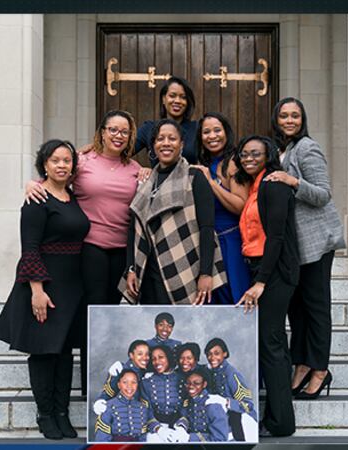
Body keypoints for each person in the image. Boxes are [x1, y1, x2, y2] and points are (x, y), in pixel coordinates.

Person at [25, 110, 143, 394]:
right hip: (89, 248)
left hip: (121, 251)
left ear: (130, 136)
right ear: (101, 132)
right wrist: (32, 184)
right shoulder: (83, 162)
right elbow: (56, 177)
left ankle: (105, 375)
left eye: (124, 131)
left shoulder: (136, 169)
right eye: (112, 129)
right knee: (94, 314)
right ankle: (89, 384)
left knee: (111, 315)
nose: (118, 135)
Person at [0, 139, 88, 440]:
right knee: (44, 352)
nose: (62, 165)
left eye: (67, 160)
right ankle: (45, 413)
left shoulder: (71, 196)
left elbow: (91, 151)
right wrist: (37, 290)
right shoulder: (36, 198)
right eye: (55, 160)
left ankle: (62, 411)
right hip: (44, 285)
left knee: (64, 353)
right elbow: (30, 248)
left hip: (72, 286)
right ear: (44, 164)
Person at [264, 97, 345, 400]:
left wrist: (292, 180)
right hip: (294, 246)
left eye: (295, 116)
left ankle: (320, 370)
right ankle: (301, 365)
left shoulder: (307, 148)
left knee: (316, 307)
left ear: (302, 120)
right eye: (283, 115)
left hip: (316, 243)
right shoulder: (280, 150)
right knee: (296, 309)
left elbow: (323, 194)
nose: (289, 120)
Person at [122, 119, 227, 305]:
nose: (166, 143)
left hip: (184, 267)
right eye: (160, 139)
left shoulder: (194, 178)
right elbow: (133, 228)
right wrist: (131, 268)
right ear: (153, 146)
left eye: (172, 138)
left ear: (181, 144)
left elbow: (207, 228)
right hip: (147, 271)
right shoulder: (146, 182)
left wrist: (205, 273)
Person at [234, 135, 298, 437]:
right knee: (275, 345)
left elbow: (277, 237)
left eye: (255, 153)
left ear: (269, 154)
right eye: (244, 153)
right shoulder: (257, 186)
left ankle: (280, 423)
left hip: (273, 271)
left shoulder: (273, 185)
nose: (249, 157)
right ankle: (279, 418)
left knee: (270, 343)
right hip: (262, 267)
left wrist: (261, 281)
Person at [190, 112, 251, 304]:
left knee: (232, 297)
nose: (212, 136)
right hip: (207, 243)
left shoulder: (233, 162)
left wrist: (211, 182)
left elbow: (241, 205)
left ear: (226, 132)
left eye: (217, 130)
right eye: (206, 132)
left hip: (229, 242)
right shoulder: (203, 164)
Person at [204, 337, 258, 441]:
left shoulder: (232, 374)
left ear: (224, 353)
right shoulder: (211, 372)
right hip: (223, 420)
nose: (212, 357)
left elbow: (248, 406)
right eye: (209, 354)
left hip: (241, 422)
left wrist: (225, 402)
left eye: (216, 353)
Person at [93, 369, 164, 442]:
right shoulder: (107, 407)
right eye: (125, 382)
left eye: (133, 382)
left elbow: (143, 437)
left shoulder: (142, 408)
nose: (129, 386)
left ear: (137, 385)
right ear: (119, 385)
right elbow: (102, 440)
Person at [92, 339, 150, 416]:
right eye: (140, 354)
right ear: (131, 355)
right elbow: (107, 394)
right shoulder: (120, 370)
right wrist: (100, 402)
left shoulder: (145, 372)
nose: (145, 358)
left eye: (147, 354)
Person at [173, 368, 230, 442]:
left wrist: (190, 437)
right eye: (188, 383)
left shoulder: (213, 405)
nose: (191, 386)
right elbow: (185, 416)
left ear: (204, 384)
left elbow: (220, 439)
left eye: (196, 383)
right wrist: (181, 427)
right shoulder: (189, 400)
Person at [139, 345, 185, 426]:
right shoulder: (147, 382)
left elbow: (186, 408)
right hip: (155, 426)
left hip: (179, 426)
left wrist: (182, 426)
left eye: (161, 357)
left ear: (168, 357)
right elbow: (146, 410)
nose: (157, 362)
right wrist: (157, 428)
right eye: (153, 359)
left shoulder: (183, 379)